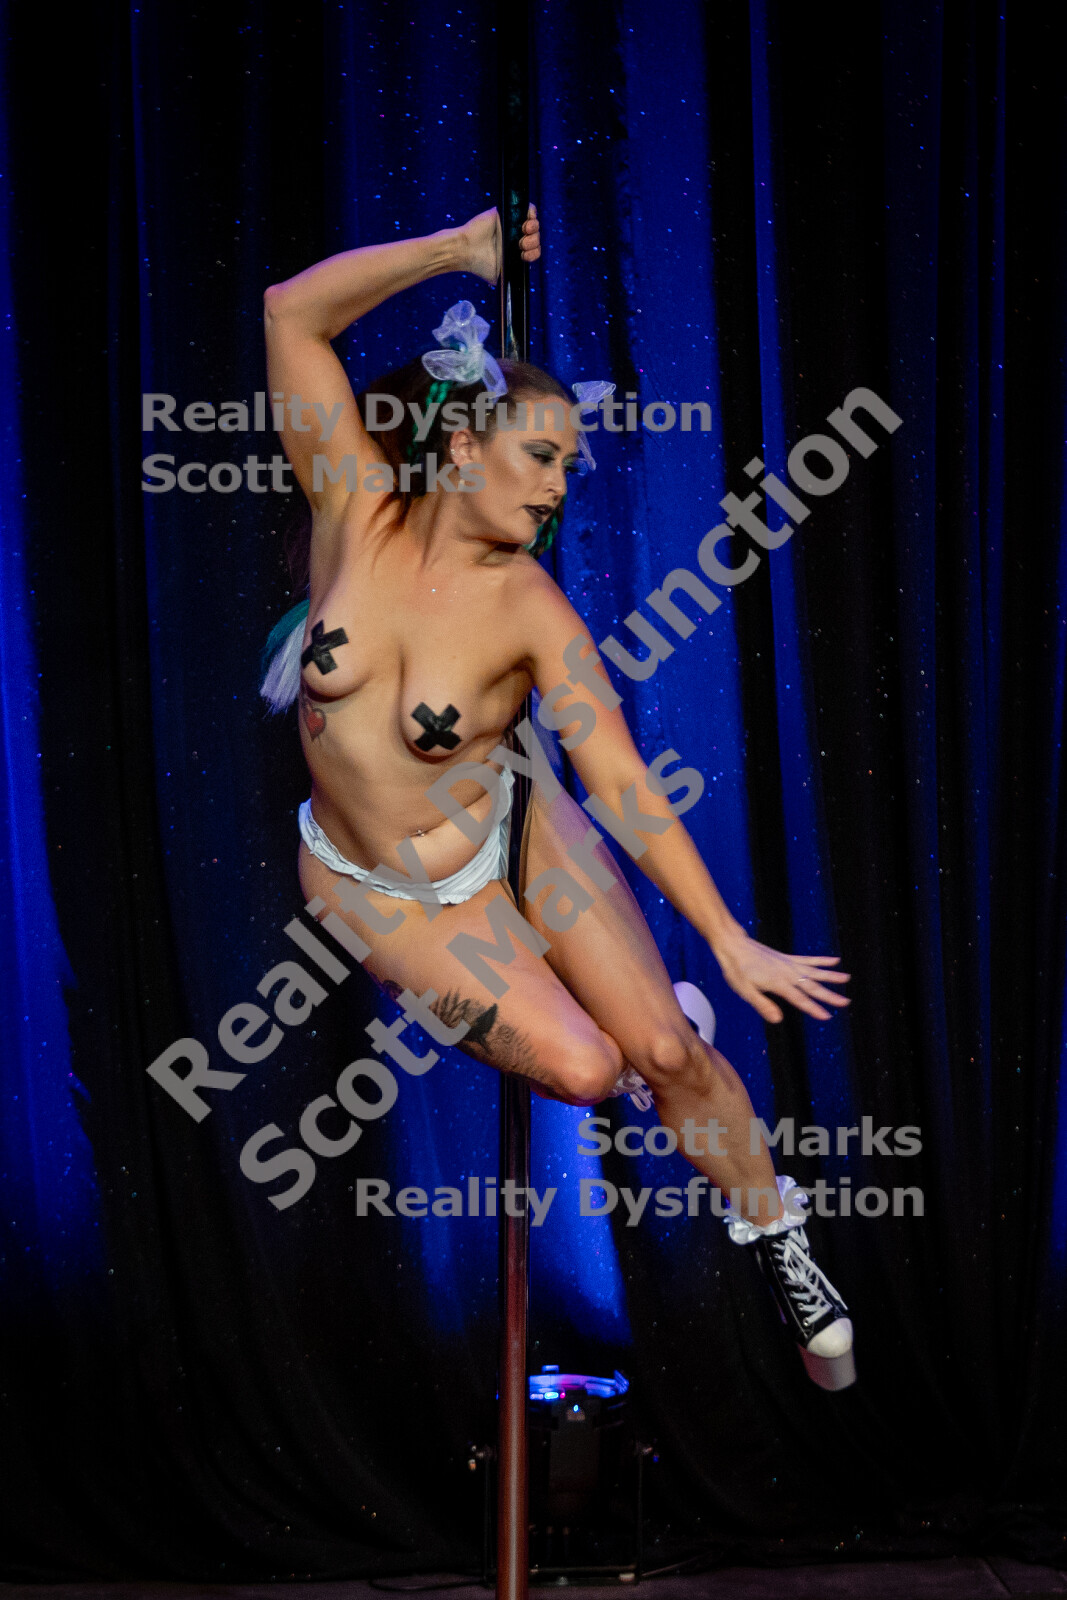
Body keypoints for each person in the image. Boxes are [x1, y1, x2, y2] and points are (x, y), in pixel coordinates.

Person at [260, 205, 856, 1390]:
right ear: (461, 449)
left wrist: (726, 936)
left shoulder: (532, 608)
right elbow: (291, 313)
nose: (558, 485)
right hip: (380, 890)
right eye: (541, 458)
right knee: (587, 1071)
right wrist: (457, 252)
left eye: (569, 468)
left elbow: (620, 781)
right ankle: (624, 1030)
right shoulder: (350, 506)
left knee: (665, 1051)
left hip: (514, 825)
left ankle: (779, 1239)